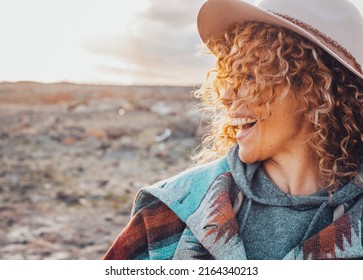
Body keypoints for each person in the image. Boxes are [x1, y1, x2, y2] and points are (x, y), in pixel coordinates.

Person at [103, 0, 363, 260]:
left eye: (250, 77)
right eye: (232, 75)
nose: (227, 96)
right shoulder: (169, 212)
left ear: (317, 89)